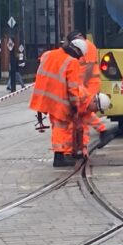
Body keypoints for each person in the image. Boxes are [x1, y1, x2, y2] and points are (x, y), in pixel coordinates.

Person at [29, 38, 88, 167]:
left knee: (57, 126)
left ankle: (62, 154)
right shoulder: (72, 62)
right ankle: (59, 156)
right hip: (59, 98)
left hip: (45, 96)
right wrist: (75, 106)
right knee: (60, 127)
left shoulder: (50, 54)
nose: (79, 58)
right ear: (77, 52)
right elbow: (72, 87)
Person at [67, 30, 113, 156]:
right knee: (83, 114)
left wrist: (79, 87)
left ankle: (96, 136)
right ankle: (85, 145)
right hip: (83, 85)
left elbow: (87, 68)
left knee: (84, 112)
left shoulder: (88, 46)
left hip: (87, 84)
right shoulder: (84, 46)